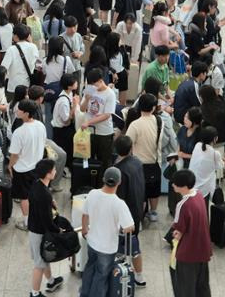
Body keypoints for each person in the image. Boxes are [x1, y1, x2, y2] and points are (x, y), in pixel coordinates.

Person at [79, 167, 135, 297]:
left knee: (89, 269)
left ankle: (84, 294)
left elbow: (84, 214)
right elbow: (129, 227)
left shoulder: (92, 193)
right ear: (119, 182)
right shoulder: (119, 203)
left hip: (92, 242)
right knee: (101, 277)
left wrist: (84, 229)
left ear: (103, 179)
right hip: (107, 248)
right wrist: (120, 227)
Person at [169, 169, 212, 297]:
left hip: (187, 253)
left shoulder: (183, 204)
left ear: (182, 186)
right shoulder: (199, 195)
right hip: (202, 249)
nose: (172, 185)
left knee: (185, 288)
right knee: (202, 286)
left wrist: (175, 235)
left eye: (175, 183)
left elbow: (178, 231)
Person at [27, 159, 65, 297]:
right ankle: (35, 293)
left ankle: (51, 281)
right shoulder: (44, 194)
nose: (56, 171)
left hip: (33, 228)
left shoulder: (38, 184)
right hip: (39, 232)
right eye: (54, 169)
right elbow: (47, 221)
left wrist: (50, 202)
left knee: (44, 258)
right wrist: (57, 230)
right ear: (48, 174)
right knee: (39, 264)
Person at [113, 135, 147, 287]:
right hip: (138, 209)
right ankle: (139, 276)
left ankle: (128, 275)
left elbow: (118, 199)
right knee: (134, 245)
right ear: (131, 148)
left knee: (128, 246)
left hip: (125, 216)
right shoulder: (137, 163)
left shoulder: (118, 171)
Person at [8, 99, 47, 231]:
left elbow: (15, 154)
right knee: (35, 194)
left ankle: (27, 222)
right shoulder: (41, 126)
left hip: (22, 169)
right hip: (38, 167)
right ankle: (36, 218)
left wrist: (10, 166)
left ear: (26, 113)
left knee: (24, 197)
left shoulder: (19, 132)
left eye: (19, 109)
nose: (17, 111)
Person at [127, 92, 163, 221]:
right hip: (154, 162)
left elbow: (128, 143)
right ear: (153, 108)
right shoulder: (159, 121)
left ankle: (139, 218)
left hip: (138, 164)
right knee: (153, 190)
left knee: (140, 194)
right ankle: (153, 213)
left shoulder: (135, 125)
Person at [79, 68, 117, 173]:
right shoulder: (89, 90)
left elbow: (107, 115)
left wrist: (88, 122)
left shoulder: (110, 94)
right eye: (90, 84)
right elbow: (82, 109)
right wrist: (86, 99)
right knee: (88, 159)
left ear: (101, 80)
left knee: (104, 161)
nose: (93, 87)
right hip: (89, 132)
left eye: (94, 84)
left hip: (104, 133)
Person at [1, 24, 39, 100]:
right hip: (28, 86)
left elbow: (4, 68)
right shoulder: (33, 47)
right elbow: (37, 64)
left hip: (13, 86)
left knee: (13, 108)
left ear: (15, 36)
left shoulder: (11, 49)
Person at [189, 126, 225, 205]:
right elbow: (219, 166)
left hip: (191, 184)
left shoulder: (197, 145)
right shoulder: (215, 153)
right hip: (204, 188)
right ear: (215, 139)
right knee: (204, 210)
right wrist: (224, 161)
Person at [173, 61, 208, 126]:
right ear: (201, 74)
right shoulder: (194, 85)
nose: (206, 75)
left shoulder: (187, 82)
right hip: (182, 117)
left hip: (178, 113)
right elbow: (198, 103)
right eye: (205, 73)